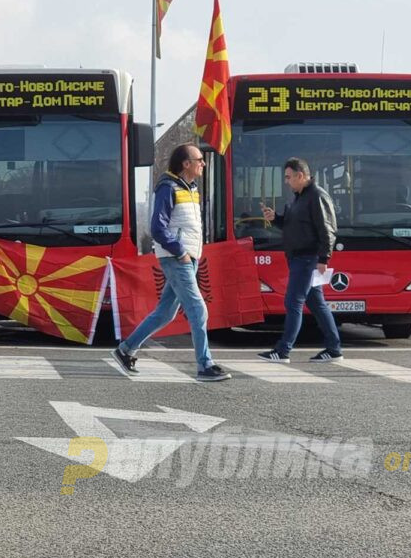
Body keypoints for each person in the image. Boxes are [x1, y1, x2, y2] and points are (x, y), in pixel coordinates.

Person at [112, 143, 231, 382]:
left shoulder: (192, 188)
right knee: (198, 309)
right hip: (178, 258)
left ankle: (125, 350)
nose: (203, 163)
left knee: (165, 313)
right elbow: (157, 228)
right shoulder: (168, 187)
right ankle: (205, 365)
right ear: (186, 164)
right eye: (199, 159)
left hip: (188, 257)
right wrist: (180, 252)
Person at [258, 158, 343, 363]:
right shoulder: (298, 197)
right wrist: (276, 218)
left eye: (288, 177)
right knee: (316, 303)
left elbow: (328, 229)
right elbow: (293, 225)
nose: (286, 181)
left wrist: (324, 258)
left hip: (308, 258)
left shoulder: (316, 196)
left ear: (300, 175)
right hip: (299, 257)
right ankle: (334, 349)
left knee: (293, 301)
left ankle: (283, 350)